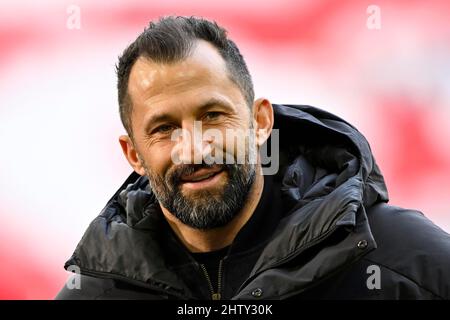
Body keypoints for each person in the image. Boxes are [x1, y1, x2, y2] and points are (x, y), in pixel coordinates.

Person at [56, 16, 450, 300]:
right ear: (133, 154)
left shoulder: (403, 261)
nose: (195, 148)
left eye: (212, 115)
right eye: (164, 129)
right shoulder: (94, 292)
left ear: (260, 122)